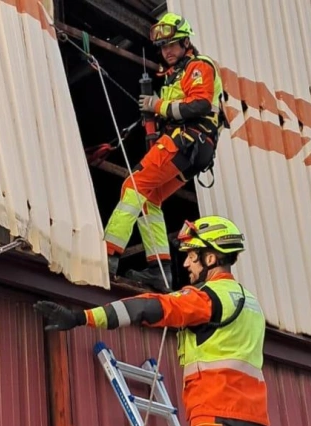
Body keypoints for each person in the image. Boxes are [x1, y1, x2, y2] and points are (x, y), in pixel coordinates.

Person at [35, 216, 270, 426]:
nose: (185, 264)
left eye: (192, 256)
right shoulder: (252, 304)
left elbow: (147, 309)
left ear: (210, 258)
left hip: (217, 421)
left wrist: (82, 317)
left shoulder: (208, 298)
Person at [104, 12, 227, 293]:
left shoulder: (198, 66)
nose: (167, 51)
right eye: (163, 47)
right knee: (150, 200)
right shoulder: (174, 77)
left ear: (185, 43)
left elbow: (198, 106)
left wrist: (157, 106)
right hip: (192, 150)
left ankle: (109, 255)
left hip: (186, 142)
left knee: (132, 185)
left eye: (172, 44)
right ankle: (159, 272)